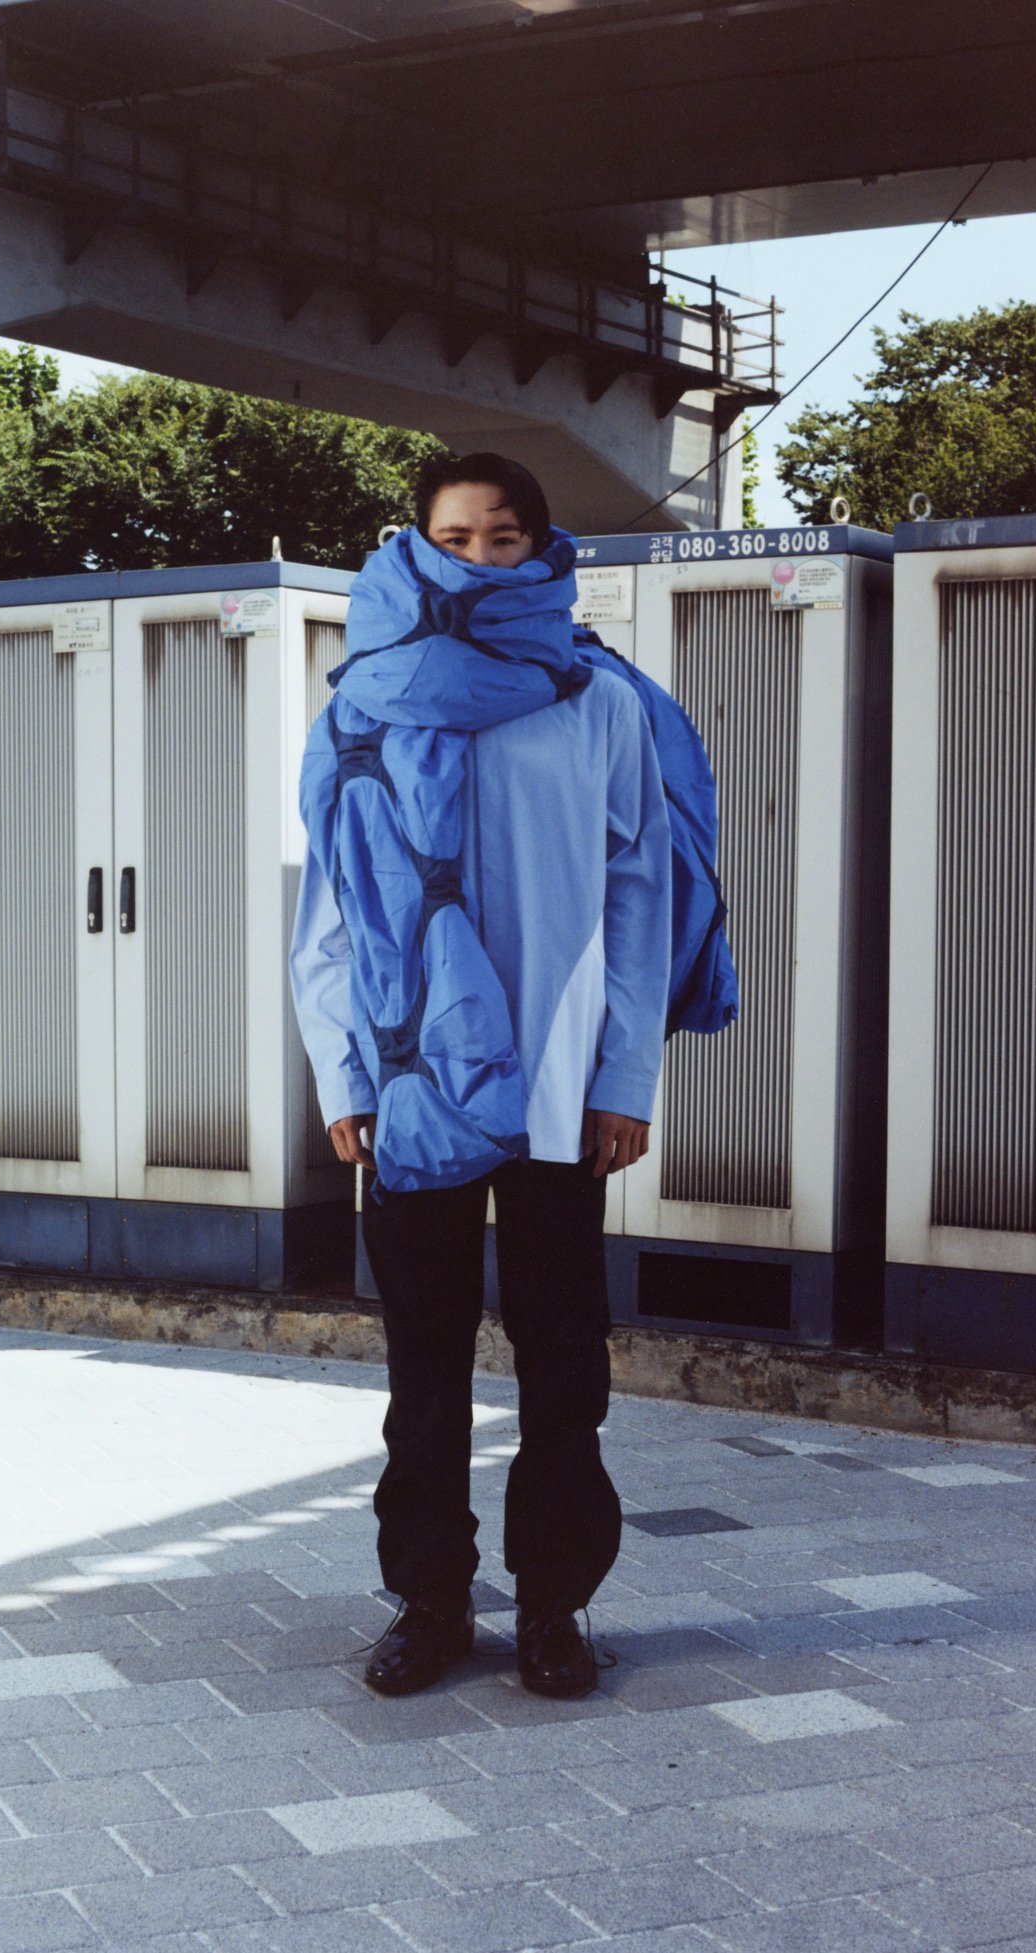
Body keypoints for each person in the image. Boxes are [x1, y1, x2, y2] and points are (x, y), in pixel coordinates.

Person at [290, 452, 674, 1699]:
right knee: (425, 1367)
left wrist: (624, 1075)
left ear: (541, 549)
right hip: (410, 1081)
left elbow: (639, 891)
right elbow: (332, 910)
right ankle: (430, 1602)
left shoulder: (597, 698)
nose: (476, 558)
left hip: (560, 1085)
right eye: (452, 537)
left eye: (501, 538)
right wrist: (343, 1077)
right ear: (414, 547)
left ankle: (553, 1606)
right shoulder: (363, 702)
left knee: (563, 1364)